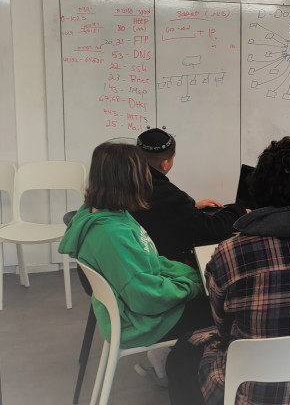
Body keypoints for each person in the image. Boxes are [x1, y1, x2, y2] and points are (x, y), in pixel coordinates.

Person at [166, 136, 290, 405]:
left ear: (258, 186)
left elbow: (222, 324)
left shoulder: (232, 253)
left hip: (254, 393)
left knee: (181, 355)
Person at [58, 141, 212, 386]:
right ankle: (197, 381)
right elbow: (146, 296)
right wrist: (194, 287)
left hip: (137, 308)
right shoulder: (112, 233)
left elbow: (151, 261)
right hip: (141, 321)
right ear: (131, 180)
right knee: (225, 306)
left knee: (211, 290)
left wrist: (192, 275)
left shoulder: (105, 213)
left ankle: (169, 362)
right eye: (143, 173)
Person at [130, 128, 247, 266]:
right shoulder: (163, 192)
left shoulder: (130, 181)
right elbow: (212, 229)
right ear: (164, 164)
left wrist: (190, 208)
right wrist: (240, 211)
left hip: (143, 252)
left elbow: (159, 210)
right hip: (169, 260)